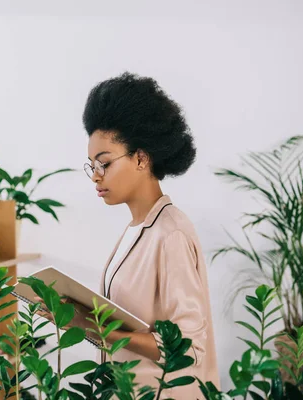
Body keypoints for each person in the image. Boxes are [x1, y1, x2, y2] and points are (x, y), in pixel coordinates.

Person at [64, 72, 219, 398]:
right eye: (91, 165)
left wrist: (95, 328)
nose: (95, 176)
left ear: (141, 158)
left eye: (104, 163)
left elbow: (189, 346)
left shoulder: (170, 234)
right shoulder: (139, 230)